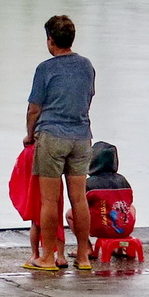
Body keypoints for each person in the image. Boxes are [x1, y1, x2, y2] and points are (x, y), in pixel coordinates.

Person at [23, 14, 96, 271]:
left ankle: (46, 258)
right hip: (81, 138)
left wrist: (29, 135)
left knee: (49, 202)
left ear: (51, 41)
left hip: (52, 138)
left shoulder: (45, 69)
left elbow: (34, 109)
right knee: (79, 199)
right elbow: (87, 99)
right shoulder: (87, 66)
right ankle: (84, 257)